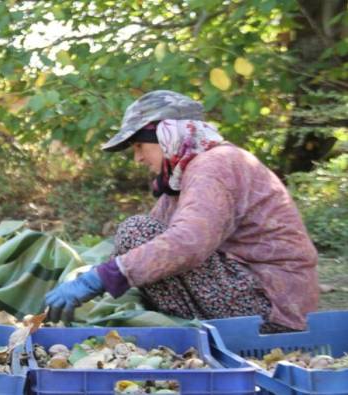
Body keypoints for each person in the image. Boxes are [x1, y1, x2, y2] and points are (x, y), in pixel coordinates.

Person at [45, 90, 319, 332]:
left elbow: (188, 242)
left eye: (139, 146)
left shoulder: (214, 166)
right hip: (254, 294)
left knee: (136, 231)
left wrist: (102, 278)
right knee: (137, 241)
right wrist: (95, 273)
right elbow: (152, 240)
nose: (138, 158)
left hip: (272, 308)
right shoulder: (187, 174)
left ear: (167, 135)